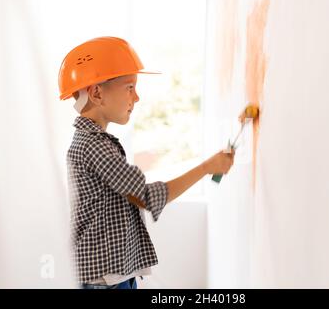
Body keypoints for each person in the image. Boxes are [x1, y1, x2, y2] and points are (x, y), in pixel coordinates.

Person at [58, 37, 235, 289]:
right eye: (129, 87)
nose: (137, 97)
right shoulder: (94, 145)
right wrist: (207, 168)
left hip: (110, 276)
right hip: (105, 281)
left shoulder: (91, 142)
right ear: (97, 92)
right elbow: (147, 197)